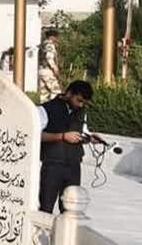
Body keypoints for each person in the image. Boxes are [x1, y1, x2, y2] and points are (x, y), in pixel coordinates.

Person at [38, 80, 100, 213]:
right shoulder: (46, 109)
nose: (80, 104)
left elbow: (82, 131)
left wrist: (88, 138)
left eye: (83, 102)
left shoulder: (81, 111)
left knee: (71, 210)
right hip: (52, 165)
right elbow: (37, 135)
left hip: (73, 166)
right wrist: (62, 136)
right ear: (69, 93)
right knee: (46, 208)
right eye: (78, 100)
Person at [38, 31, 63, 99]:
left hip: (41, 70)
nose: (57, 39)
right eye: (56, 37)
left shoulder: (42, 44)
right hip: (48, 71)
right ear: (52, 37)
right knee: (56, 91)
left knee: (44, 93)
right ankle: (55, 107)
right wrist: (56, 70)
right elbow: (49, 58)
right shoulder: (49, 45)